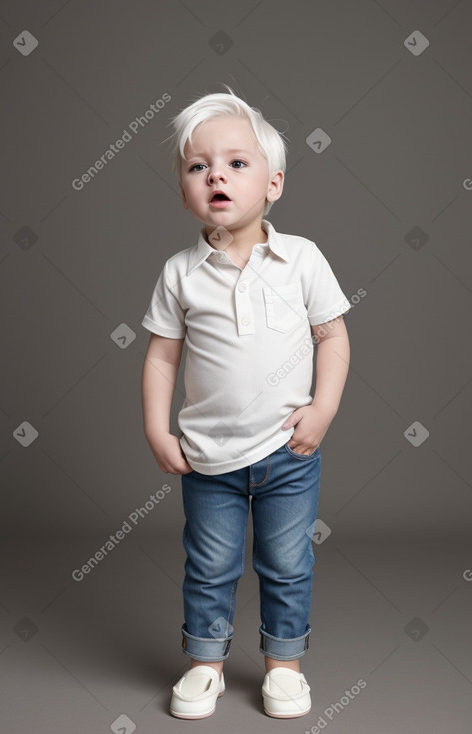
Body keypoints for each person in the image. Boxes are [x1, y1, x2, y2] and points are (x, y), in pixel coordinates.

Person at [141, 85, 351, 720]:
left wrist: (323, 408)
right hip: (209, 456)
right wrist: (157, 430)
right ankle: (205, 663)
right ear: (184, 189)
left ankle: (283, 665)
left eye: (236, 163)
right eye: (198, 166)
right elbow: (160, 356)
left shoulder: (301, 260)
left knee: (286, 562)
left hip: (288, 449)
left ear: (274, 184)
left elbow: (333, 335)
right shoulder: (180, 273)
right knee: (209, 564)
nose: (217, 176)